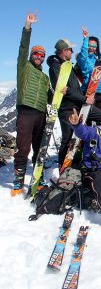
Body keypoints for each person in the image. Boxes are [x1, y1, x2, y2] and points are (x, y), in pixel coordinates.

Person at [47, 39, 101, 167]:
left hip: (80, 105)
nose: (72, 52)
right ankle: (64, 169)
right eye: (70, 49)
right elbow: (64, 90)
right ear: (64, 51)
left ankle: (88, 156)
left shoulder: (68, 65)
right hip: (67, 108)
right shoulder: (56, 66)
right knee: (68, 138)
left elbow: (73, 87)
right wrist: (85, 99)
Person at [11, 13, 50, 196]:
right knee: (23, 146)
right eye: (36, 53)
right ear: (32, 55)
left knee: (38, 146)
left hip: (41, 113)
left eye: (42, 55)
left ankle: (38, 175)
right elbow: (23, 47)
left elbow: (50, 97)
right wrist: (28, 26)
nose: (39, 56)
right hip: (26, 111)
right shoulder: (23, 67)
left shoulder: (45, 77)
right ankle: (19, 178)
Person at [77, 27, 101, 112]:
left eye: (94, 46)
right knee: (88, 118)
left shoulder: (97, 60)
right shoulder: (83, 59)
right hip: (88, 91)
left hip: (98, 92)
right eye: (90, 45)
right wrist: (86, 39)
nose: (92, 48)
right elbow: (83, 55)